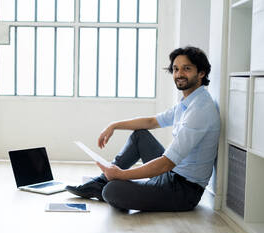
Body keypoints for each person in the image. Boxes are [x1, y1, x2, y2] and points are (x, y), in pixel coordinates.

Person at [66, 46, 220, 212]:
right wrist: (114, 125)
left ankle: (108, 183)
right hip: (171, 175)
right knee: (140, 136)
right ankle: (101, 182)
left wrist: (121, 175)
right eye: (176, 69)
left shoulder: (200, 110)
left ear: (201, 73)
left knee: (112, 191)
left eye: (187, 69)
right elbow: (151, 121)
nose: (179, 74)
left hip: (183, 191)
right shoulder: (187, 103)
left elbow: (167, 163)